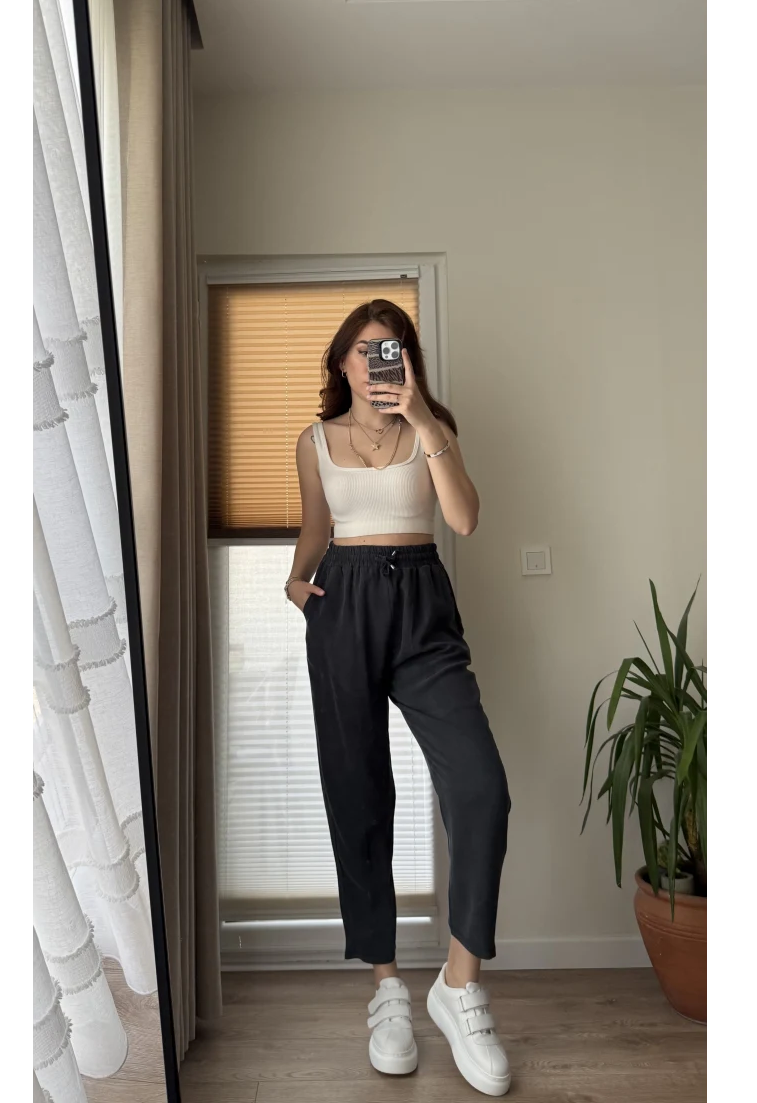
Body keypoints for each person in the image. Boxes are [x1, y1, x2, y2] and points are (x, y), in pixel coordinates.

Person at [284, 299, 512, 1097]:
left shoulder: (430, 428)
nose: (377, 361)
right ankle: (386, 986)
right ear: (341, 361)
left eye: (392, 349)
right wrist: (297, 582)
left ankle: (459, 984)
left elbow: (464, 520)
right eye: (364, 350)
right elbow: (318, 527)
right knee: (358, 794)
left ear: (407, 361)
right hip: (342, 604)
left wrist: (420, 414)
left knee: (481, 788)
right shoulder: (315, 441)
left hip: (422, 604)